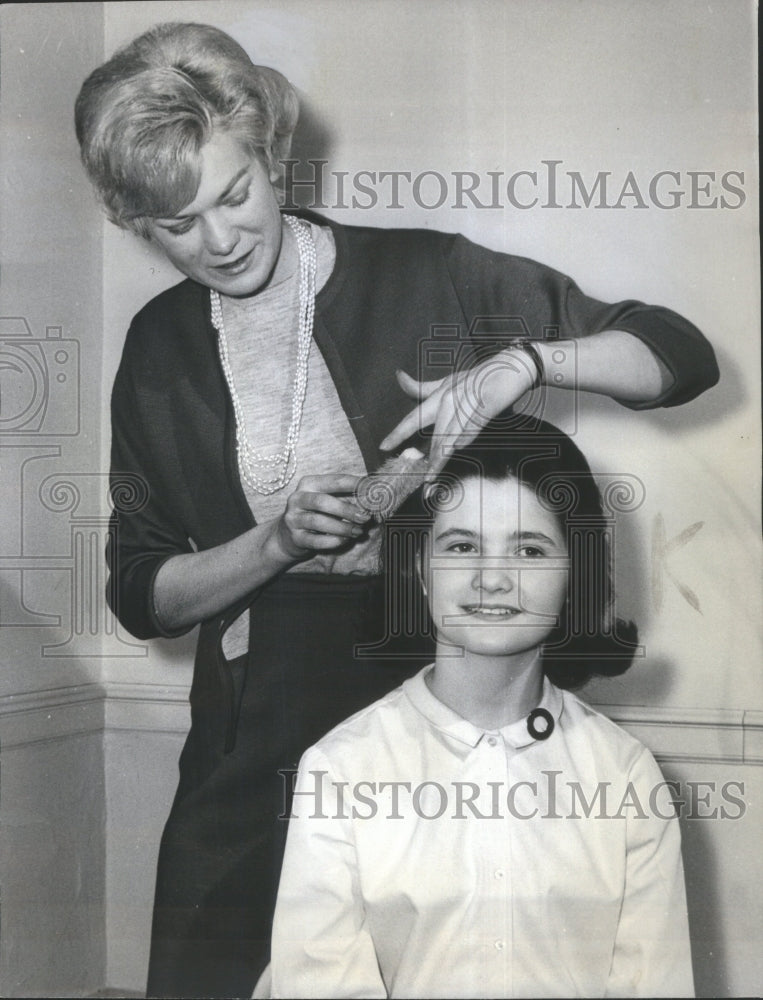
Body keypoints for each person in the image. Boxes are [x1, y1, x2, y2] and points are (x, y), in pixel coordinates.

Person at [74, 21, 714, 998]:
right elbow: (139, 592)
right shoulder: (159, 348)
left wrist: (527, 361)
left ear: (273, 155)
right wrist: (274, 541)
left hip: (430, 698)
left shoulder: (426, 272)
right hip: (253, 730)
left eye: (235, 192)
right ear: (135, 223)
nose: (219, 238)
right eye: (176, 223)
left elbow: (673, 351)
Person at [268, 415, 694, 998]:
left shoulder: (627, 777)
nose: (493, 577)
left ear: (576, 575)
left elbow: (655, 985)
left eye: (530, 548)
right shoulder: (338, 771)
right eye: (462, 545)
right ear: (419, 569)